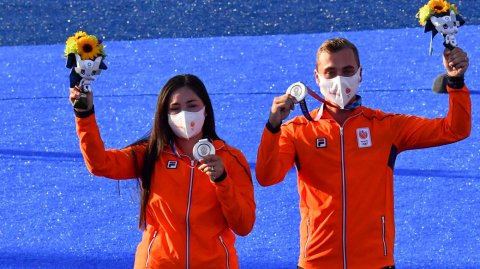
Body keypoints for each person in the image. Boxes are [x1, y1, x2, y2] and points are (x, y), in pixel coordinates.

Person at [256, 38, 470, 269]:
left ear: (360, 73)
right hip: (316, 262)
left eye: (347, 70)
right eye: (330, 72)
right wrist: (272, 127)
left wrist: (455, 82)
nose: (339, 79)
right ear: (317, 78)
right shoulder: (296, 131)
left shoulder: (386, 127)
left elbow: (454, 130)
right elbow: (267, 178)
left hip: (375, 262)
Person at [70, 74, 256, 269]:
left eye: (192, 106)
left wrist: (222, 180)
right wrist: (84, 115)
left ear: (206, 110)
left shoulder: (231, 158)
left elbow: (243, 226)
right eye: (175, 108)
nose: (184, 114)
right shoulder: (150, 153)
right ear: (165, 116)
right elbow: (100, 164)